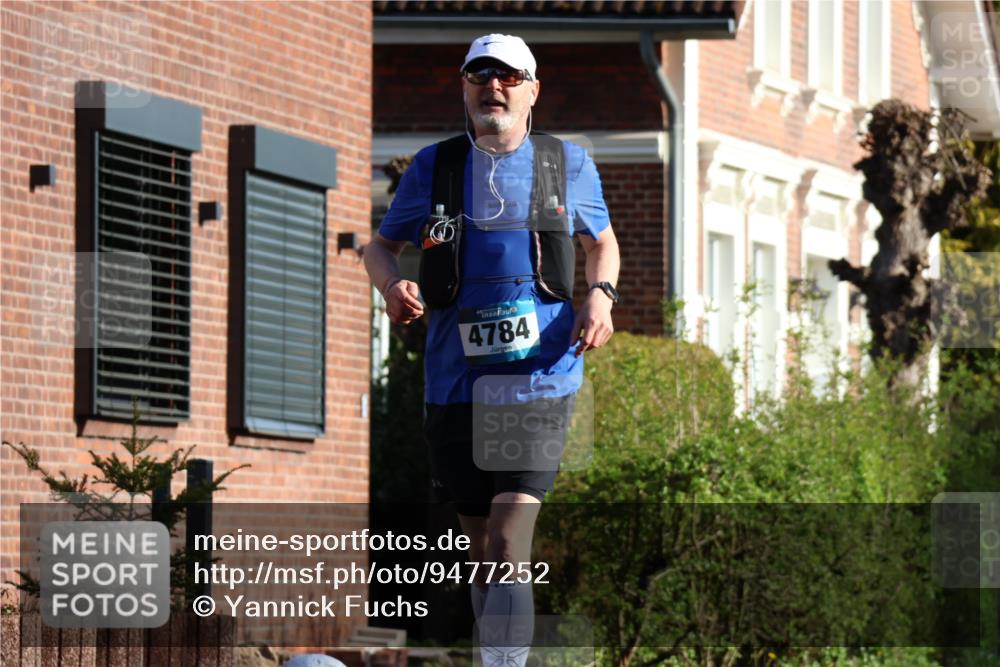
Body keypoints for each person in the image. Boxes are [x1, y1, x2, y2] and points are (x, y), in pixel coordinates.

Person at [364, 34, 620, 667]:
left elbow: (602, 244)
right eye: (480, 76)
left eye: (508, 77)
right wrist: (392, 284)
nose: (493, 88)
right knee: (481, 547)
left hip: (540, 378)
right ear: (464, 87)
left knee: (509, 538)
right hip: (455, 381)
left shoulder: (568, 164)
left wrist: (601, 297)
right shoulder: (434, 166)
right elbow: (380, 246)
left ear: (534, 90)